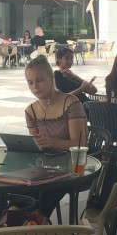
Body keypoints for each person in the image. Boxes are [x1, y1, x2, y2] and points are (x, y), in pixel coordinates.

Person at [24, 56, 87, 217]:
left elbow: (81, 145)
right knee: (20, 190)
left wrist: (53, 143)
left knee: (42, 194)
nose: (35, 86)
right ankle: (17, 224)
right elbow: (37, 146)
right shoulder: (31, 110)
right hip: (45, 167)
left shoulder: (71, 103)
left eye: (39, 80)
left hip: (72, 166)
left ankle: (33, 223)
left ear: (51, 78)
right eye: (30, 82)